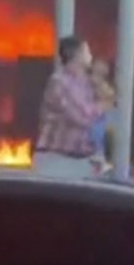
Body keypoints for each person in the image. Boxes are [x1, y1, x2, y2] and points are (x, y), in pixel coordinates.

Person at [34, 36, 103, 178]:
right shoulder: (58, 82)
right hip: (56, 159)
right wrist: (101, 107)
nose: (91, 56)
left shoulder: (87, 83)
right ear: (76, 55)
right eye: (87, 52)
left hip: (82, 158)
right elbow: (81, 118)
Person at [89, 58, 116, 174]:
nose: (95, 77)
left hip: (102, 139)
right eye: (94, 72)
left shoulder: (107, 92)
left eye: (100, 74)